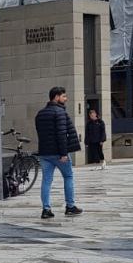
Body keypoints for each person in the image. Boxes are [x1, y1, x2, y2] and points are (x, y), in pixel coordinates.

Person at [35, 87, 84, 219]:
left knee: (46, 181)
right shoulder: (60, 112)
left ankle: (46, 209)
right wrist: (63, 153)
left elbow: (41, 134)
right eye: (64, 96)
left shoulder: (40, 114)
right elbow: (62, 134)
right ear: (56, 97)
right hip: (58, 153)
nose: (66, 99)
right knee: (68, 177)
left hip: (44, 153)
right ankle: (70, 207)